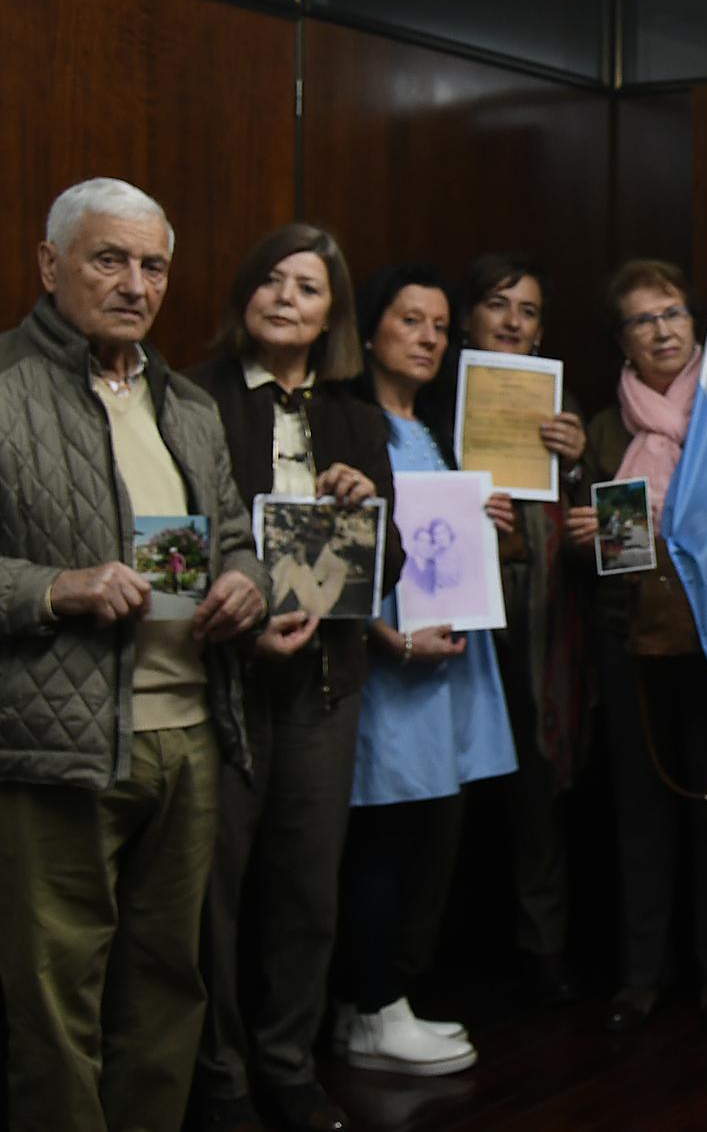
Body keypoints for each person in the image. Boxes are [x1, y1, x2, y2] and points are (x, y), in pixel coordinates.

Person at [0, 178, 269, 1132]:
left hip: (188, 733)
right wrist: (52, 588)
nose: (134, 283)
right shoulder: (5, 392)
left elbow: (232, 538)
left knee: (166, 984)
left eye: (152, 264)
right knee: (53, 994)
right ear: (49, 265)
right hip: (58, 746)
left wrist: (248, 580)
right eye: (108, 258)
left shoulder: (186, 404)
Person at [186, 223, 402, 1132]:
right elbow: (161, 539)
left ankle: (290, 1067)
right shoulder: (190, 400)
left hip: (324, 684)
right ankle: (222, 1078)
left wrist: (365, 513)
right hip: (218, 684)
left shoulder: (358, 417)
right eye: (270, 279)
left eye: (307, 288)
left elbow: (383, 574)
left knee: (306, 892)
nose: (285, 298)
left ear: (331, 317)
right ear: (244, 293)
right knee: (212, 895)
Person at [565, 259, 707, 1035]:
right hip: (631, 633)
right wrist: (583, 536)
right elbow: (573, 551)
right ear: (621, 339)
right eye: (642, 319)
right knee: (639, 808)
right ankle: (641, 975)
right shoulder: (598, 428)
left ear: (696, 323)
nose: (661, 330)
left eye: (673, 314)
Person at [335, 263, 518, 1076]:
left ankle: (380, 999)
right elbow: (341, 554)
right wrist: (385, 636)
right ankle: (371, 1008)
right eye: (412, 321)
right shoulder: (353, 422)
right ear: (371, 328)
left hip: (440, 656)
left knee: (414, 837)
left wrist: (488, 521)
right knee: (381, 835)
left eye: (441, 326)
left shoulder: (433, 428)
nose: (430, 338)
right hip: (388, 663)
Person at [455, 252, 591, 1005]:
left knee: (539, 786)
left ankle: (543, 948)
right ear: (468, 315)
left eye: (529, 310)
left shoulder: (562, 405)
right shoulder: (435, 395)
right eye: (499, 305)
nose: (513, 322)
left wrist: (574, 469)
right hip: (454, 619)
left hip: (539, 623)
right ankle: (451, 950)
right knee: (450, 794)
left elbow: (600, 526)